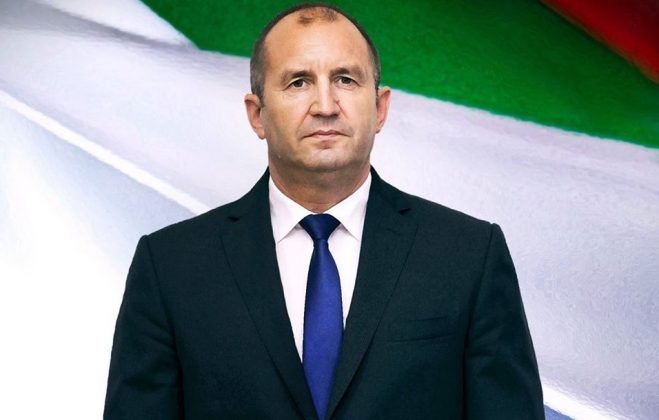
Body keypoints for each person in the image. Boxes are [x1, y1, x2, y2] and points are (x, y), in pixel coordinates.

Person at [104, 3, 544, 419]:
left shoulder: (468, 256)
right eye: (298, 82)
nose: (326, 106)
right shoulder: (171, 267)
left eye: (346, 80)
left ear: (380, 108)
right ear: (257, 115)